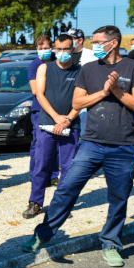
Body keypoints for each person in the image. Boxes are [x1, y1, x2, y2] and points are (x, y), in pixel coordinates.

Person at [23, 26, 134, 268]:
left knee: (119, 198)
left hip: (123, 145)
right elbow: (77, 101)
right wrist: (103, 92)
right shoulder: (89, 69)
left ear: (114, 43)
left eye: (99, 42)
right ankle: (43, 235)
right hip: (91, 142)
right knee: (66, 188)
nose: (94, 45)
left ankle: (111, 243)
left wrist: (117, 91)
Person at [24, 34, 81, 219]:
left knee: (68, 167)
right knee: (41, 164)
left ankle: (61, 205)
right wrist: (56, 117)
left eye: (66, 49)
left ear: (73, 49)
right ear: (54, 49)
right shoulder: (44, 68)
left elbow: (81, 100)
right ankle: (35, 203)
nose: (62, 53)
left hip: (71, 125)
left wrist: (68, 119)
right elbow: (39, 95)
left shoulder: (80, 72)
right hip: (47, 123)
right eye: (59, 49)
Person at [28, 35, 60, 189]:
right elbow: (36, 90)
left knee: (55, 144)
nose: (43, 51)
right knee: (39, 144)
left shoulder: (56, 62)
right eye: (40, 48)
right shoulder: (35, 65)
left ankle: (53, 175)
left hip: (57, 109)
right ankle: (36, 175)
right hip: (39, 110)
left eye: (46, 48)